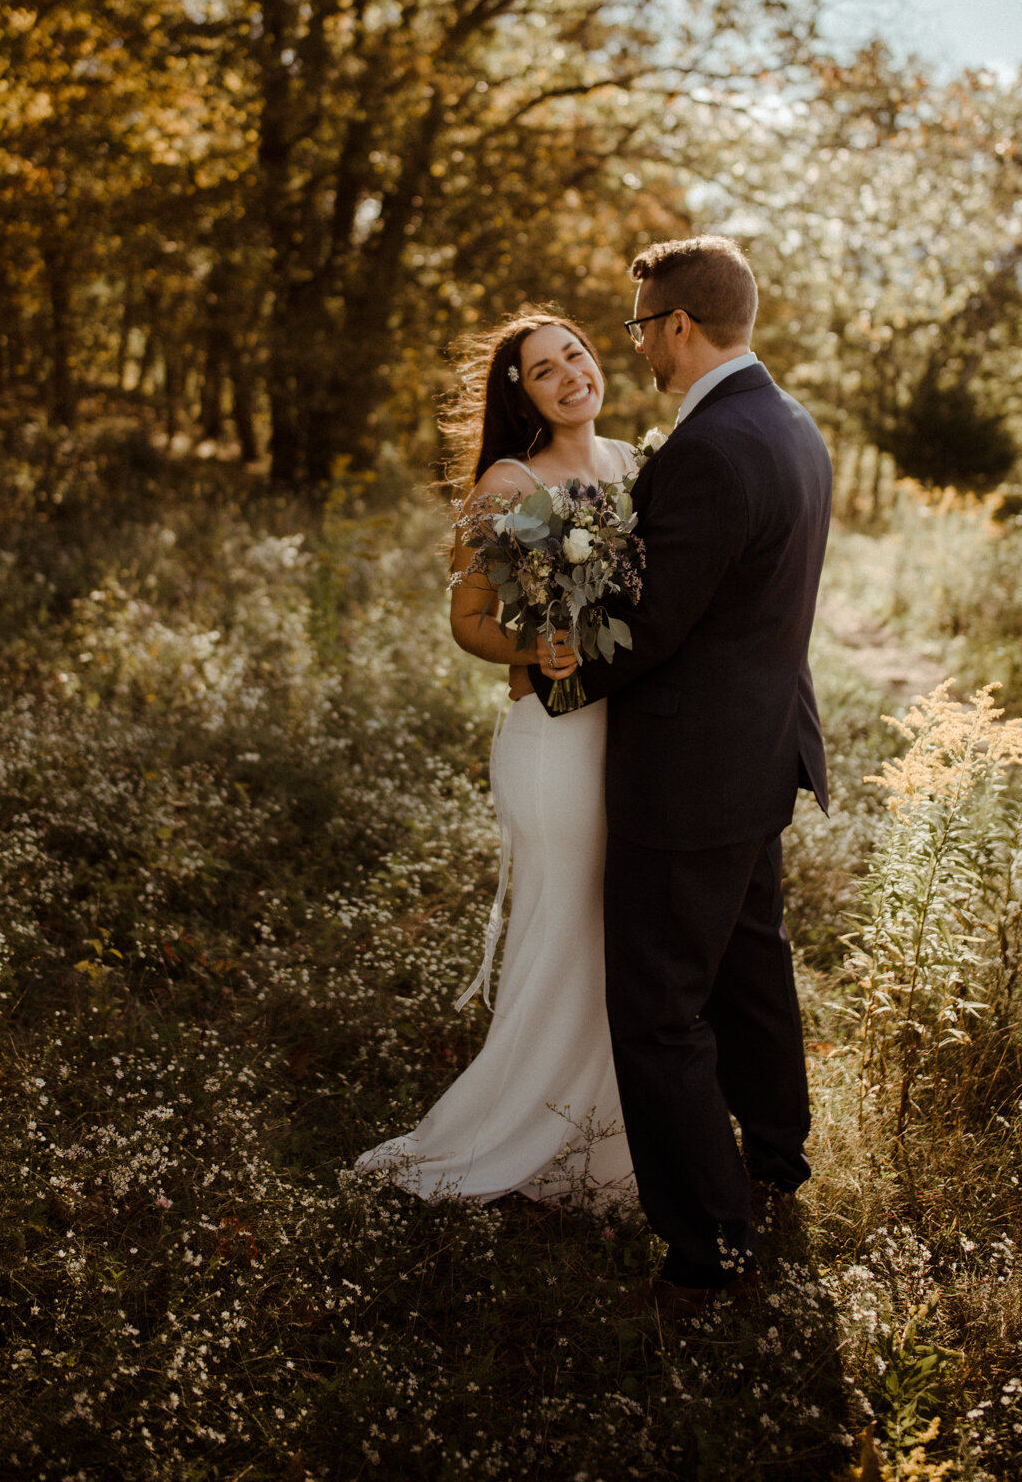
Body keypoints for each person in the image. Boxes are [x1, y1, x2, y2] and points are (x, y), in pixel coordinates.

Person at [526, 236, 831, 1313]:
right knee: (751, 963)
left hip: (693, 771)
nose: (637, 346)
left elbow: (652, 626)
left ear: (679, 327)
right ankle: (780, 1155)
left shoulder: (707, 449)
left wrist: (550, 675)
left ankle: (709, 1246)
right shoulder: (793, 425)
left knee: (659, 1006)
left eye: (640, 326)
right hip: (762, 755)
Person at [354, 306, 636, 1207]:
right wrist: (533, 651)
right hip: (552, 740)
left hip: (625, 738)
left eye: (576, 355)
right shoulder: (507, 484)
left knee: (608, 939)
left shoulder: (632, 465)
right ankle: (512, 1133)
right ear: (520, 392)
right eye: (543, 370)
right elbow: (466, 619)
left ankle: (598, 1144)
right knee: (560, 933)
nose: (569, 376)